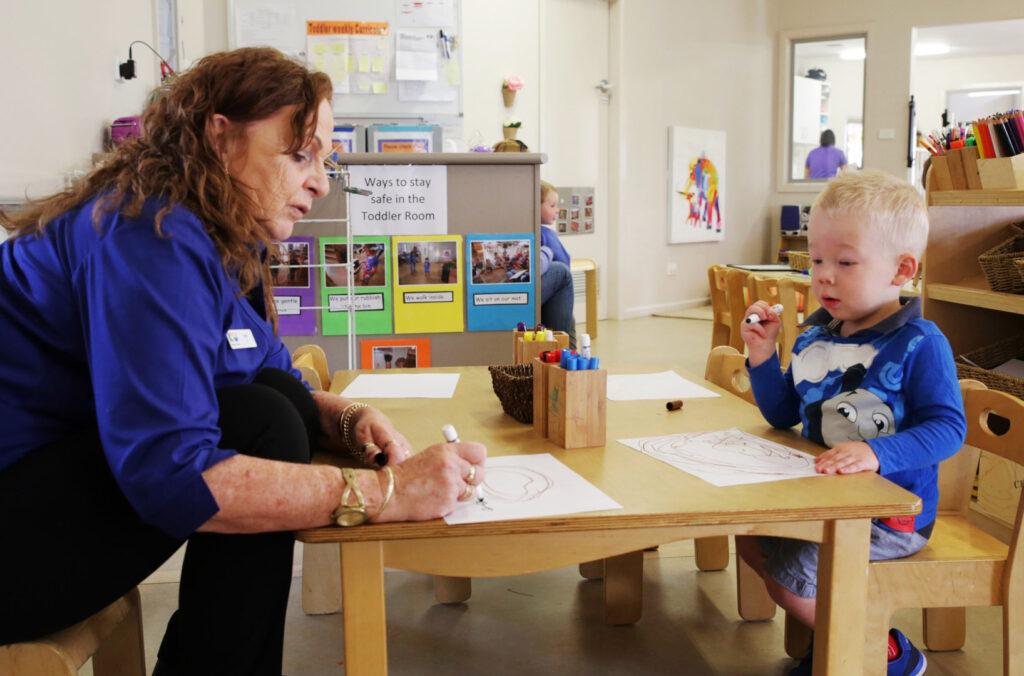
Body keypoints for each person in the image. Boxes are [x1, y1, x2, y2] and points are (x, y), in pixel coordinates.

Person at [0, 47, 486, 676]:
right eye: (299, 154)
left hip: (33, 496)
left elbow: (258, 365)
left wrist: (344, 415)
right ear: (220, 137)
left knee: (276, 405)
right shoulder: (149, 234)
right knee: (264, 422)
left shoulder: (209, 230)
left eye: (324, 159)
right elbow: (172, 472)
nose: (321, 180)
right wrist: (384, 491)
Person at [736, 170, 966, 676]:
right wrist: (763, 356)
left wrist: (876, 452)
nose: (824, 275)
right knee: (749, 537)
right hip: (820, 500)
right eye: (817, 260)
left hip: (890, 518)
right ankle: (836, 641)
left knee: (794, 577)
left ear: (901, 268)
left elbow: (949, 429)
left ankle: (880, 651)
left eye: (845, 262)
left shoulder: (920, 343)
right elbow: (783, 414)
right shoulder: (816, 335)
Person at [539, 181, 577, 349]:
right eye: (552, 205)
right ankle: (568, 354)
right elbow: (564, 266)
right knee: (570, 321)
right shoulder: (546, 234)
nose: (557, 210)